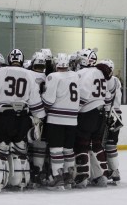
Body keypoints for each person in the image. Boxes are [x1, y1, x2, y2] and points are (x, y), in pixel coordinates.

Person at [0, 48, 46, 191]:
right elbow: (36, 102)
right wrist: (38, 119)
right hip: (23, 117)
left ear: (9, 59)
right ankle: (20, 182)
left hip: (3, 116)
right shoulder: (31, 75)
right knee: (20, 150)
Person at [73, 48, 114, 188]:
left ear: (85, 60)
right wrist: (106, 113)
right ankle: (102, 175)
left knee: (82, 143)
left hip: (87, 112)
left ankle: (82, 177)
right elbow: (108, 97)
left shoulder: (82, 73)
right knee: (97, 144)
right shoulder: (101, 72)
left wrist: (75, 110)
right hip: (101, 113)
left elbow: (83, 94)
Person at [42, 53, 80, 190]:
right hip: (73, 119)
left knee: (56, 149)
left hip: (56, 118)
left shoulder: (53, 76)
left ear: (56, 64)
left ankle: (58, 178)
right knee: (68, 149)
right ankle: (69, 176)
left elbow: (48, 100)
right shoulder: (76, 76)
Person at [26, 52, 48, 188]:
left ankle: (28, 171)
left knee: (27, 143)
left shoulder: (27, 74)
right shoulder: (47, 76)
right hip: (44, 113)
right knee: (41, 143)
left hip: (29, 112)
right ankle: (39, 171)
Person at [100, 59, 123, 184]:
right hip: (116, 117)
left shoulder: (102, 81)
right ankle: (114, 171)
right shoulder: (116, 81)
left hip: (105, 116)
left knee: (100, 145)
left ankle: (103, 172)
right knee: (111, 145)